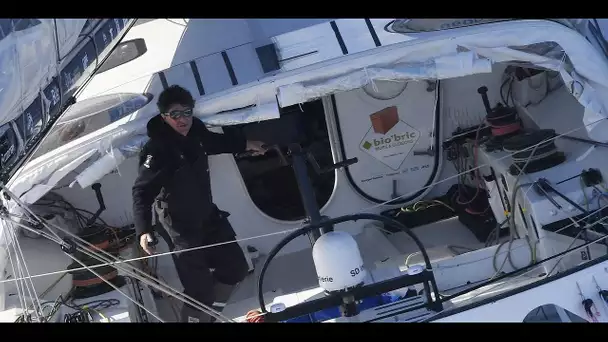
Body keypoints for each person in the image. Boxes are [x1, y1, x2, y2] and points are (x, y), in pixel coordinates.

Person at [132, 85, 266, 322]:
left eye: (187, 112)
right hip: (179, 226)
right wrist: (143, 231)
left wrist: (247, 144)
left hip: (207, 216)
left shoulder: (197, 133)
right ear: (164, 116)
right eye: (175, 115)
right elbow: (141, 191)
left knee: (236, 268)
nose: (182, 119)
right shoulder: (157, 149)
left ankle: (209, 317)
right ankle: (197, 318)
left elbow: (215, 143)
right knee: (199, 290)